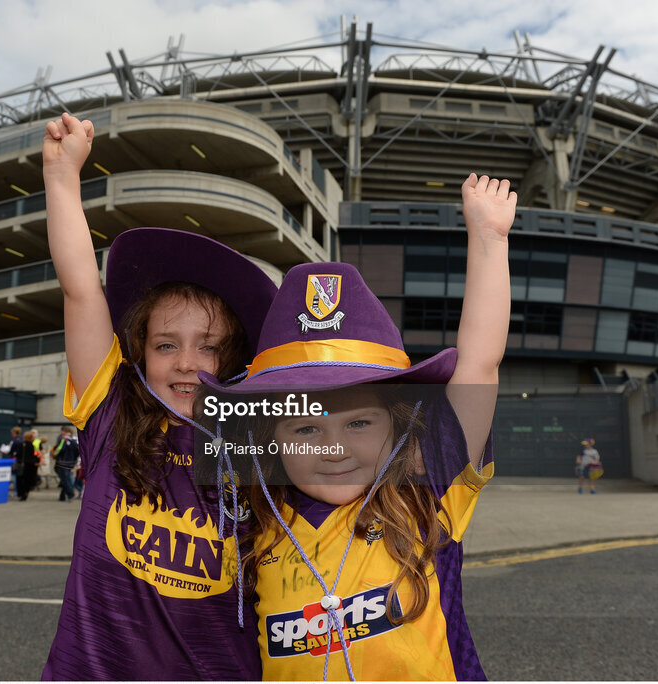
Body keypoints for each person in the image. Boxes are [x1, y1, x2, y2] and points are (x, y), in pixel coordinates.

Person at [201, 172, 514, 680]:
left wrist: (489, 240)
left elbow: (478, 365)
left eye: (360, 422)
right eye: (305, 429)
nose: (333, 448)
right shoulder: (254, 531)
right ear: (270, 438)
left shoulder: (426, 498)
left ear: (395, 428)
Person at [39, 112, 277, 680]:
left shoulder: (259, 443)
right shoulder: (109, 414)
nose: (188, 363)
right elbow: (79, 287)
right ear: (139, 351)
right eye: (167, 344)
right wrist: (62, 176)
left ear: (236, 358)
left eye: (209, 347)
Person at [52, 425, 81, 501]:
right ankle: (62, 497)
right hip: (72, 463)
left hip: (62, 463)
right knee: (66, 479)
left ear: (65, 432)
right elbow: (79, 451)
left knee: (65, 480)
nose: (61, 433)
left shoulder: (64, 440)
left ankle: (70, 494)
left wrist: (54, 453)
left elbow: (60, 449)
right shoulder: (76, 440)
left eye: (62, 431)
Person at [14, 428, 38, 501]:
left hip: (22, 464)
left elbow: (18, 454)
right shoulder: (32, 445)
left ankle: (22, 493)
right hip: (30, 465)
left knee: (21, 479)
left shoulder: (22, 444)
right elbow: (32, 456)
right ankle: (26, 492)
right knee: (28, 480)